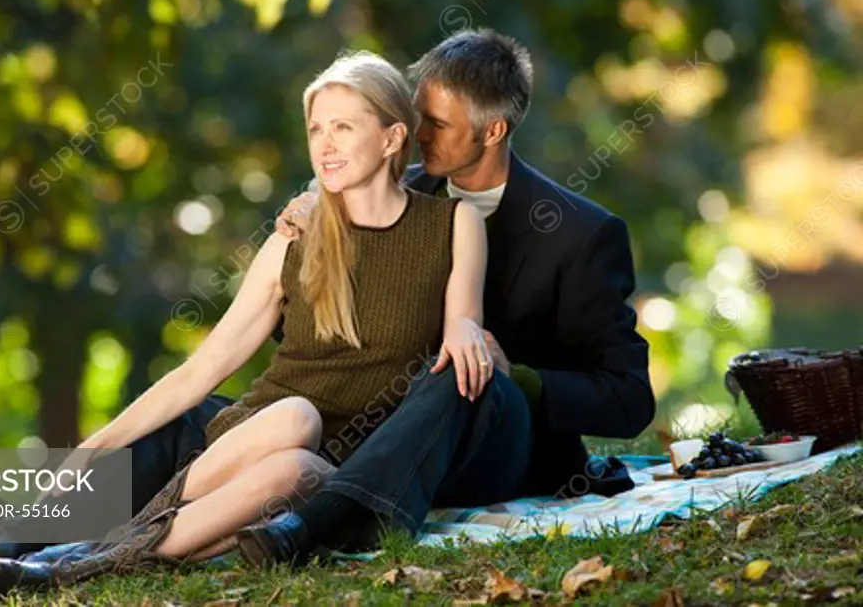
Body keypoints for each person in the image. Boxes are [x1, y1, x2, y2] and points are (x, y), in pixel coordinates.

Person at [0, 50, 492, 600]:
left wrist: (466, 325)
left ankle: (83, 559)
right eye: (316, 129)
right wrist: (93, 449)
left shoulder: (455, 223)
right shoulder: (294, 238)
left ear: (391, 139)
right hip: (256, 439)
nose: (325, 144)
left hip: (340, 467)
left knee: (304, 469)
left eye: (344, 127)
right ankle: (75, 564)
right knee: (296, 418)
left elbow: (464, 321)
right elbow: (205, 369)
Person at [233, 28, 656, 567]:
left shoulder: (581, 234)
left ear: (493, 129)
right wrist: (305, 250)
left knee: (455, 366)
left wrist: (515, 375)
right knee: (188, 418)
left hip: (502, 447)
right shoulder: (387, 193)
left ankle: (313, 525)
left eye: (436, 124)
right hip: (367, 430)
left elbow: (629, 399)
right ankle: (90, 513)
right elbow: (307, 333)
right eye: (417, 116)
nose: (416, 132)